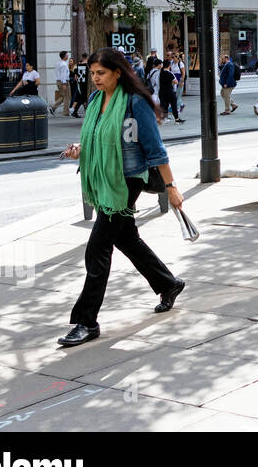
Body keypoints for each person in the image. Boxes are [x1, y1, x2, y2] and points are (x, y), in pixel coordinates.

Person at [56, 47, 186, 347]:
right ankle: (168, 284)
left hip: (127, 181)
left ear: (118, 72)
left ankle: (86, 321)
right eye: (92, 74)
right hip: (106, 178)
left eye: (101, 73)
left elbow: (155, 150)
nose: (95, 79)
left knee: (97, 249)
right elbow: (98, 137)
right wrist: (80, 148)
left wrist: (171, 187)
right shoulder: (95, 100)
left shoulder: (135, 103)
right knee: (126, 239)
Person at [50, 50, 71, 116]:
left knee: (63, 96)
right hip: (63, 81)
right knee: (67, 96)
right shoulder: (64, 64)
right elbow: (63, 74)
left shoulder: (58, 63)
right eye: (67, 55)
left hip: (59, 81)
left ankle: (53, 107)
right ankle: (66, 112)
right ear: (64, 56)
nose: (68, 56)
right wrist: (64, 83)